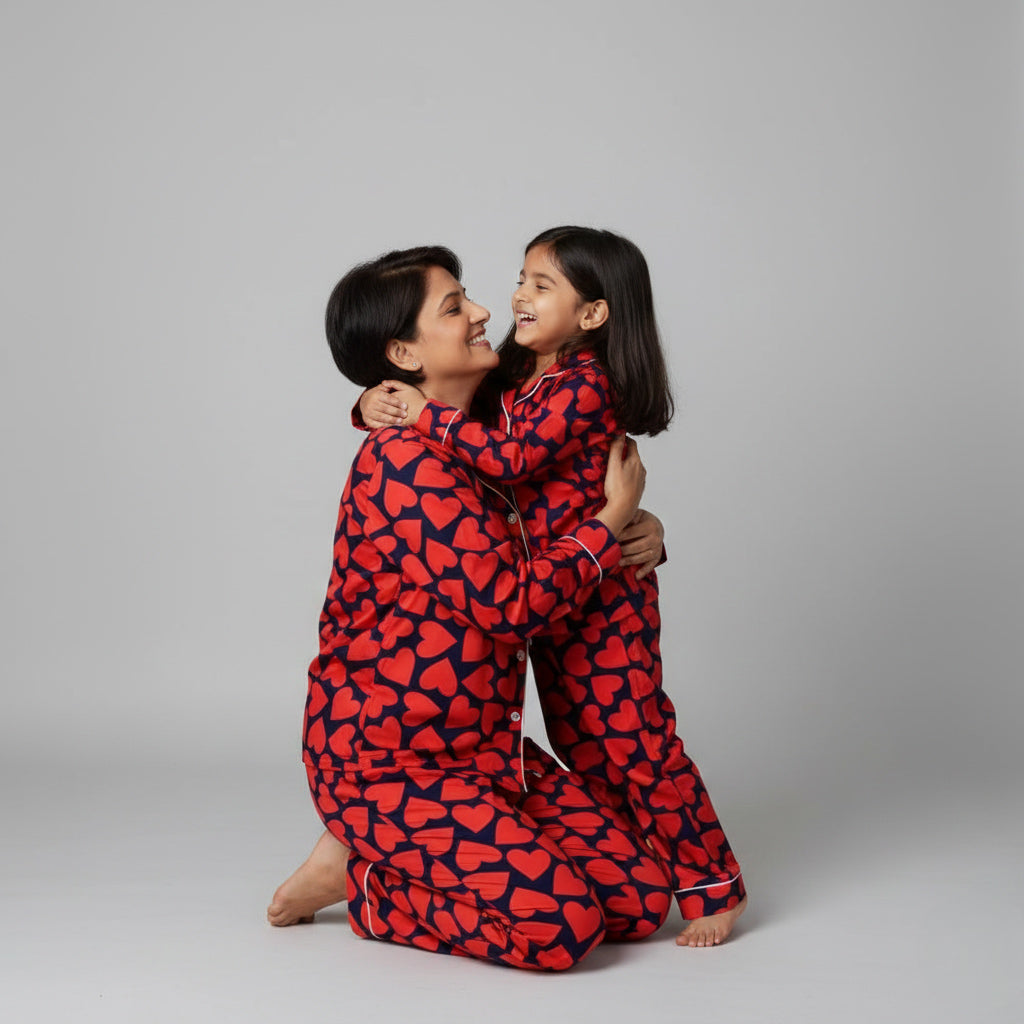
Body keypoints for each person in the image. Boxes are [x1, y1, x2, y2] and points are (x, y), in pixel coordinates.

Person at [268, 245, 675, 970]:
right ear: (403, 352)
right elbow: (509, 607)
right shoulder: (403, 463)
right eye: (455, 307)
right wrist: (608, 527)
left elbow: (568, 471)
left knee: (642, 902)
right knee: (560, 931)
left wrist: (638, 529)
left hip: (486, 751)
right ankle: (364, 878)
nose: (485, 310)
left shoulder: (485, 431)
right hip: (393, 762)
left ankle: (374, 854)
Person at [359, 227, 746, 947]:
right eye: (521, 279)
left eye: (542, 286)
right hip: (547, 604)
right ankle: (634, 858)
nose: (512, 299)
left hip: (599, 604)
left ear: (594, 316)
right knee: (581, 740)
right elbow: (431, 418)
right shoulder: (512, 374)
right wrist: (377, 408)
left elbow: (505, 459)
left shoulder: (584, 384)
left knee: (635, 741)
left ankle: (711, 882)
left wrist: (633, 524)